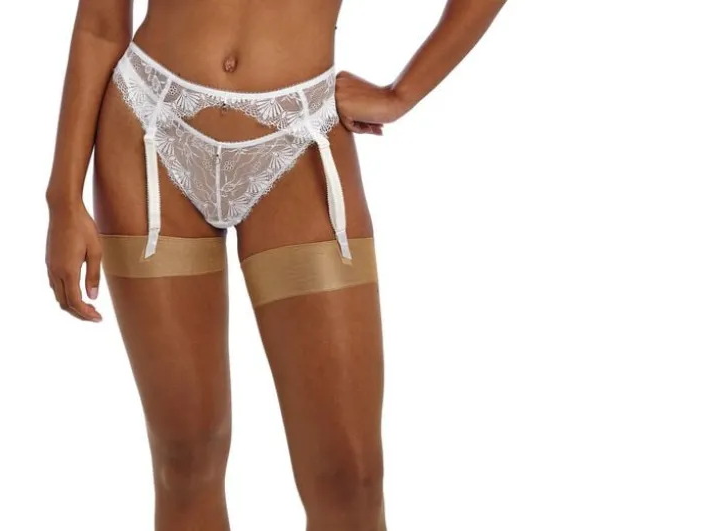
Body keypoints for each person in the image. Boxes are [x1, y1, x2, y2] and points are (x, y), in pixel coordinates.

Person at [44, 1, 506, 530]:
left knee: (350, 481)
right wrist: (63, 198)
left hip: (302, 133)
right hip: (148, 124)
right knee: (186, 461)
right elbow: (101, 24)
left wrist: (402, 94)